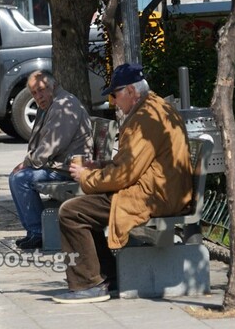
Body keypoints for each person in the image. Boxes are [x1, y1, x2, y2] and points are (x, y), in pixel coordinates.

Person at [52, 63, 193, 304]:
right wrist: (101, 166)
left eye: (115, 95)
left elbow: (126, 174)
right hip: (162, 190)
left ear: (130, 91)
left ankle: (90, 283)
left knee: (72, 212)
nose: (113, 102)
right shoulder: (154, 107)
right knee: (84, 207)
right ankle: (110, 277)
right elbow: (134, 163)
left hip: (154, 196)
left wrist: (86, 178)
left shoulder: (143, 119)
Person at [9, 70, 93, 250]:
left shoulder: (63, 105)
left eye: (42, 90)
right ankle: (34, 232)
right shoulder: (51, 104)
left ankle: (38, 233)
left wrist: (27, 162)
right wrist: (28, 162)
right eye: (34, 93)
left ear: (53, 86)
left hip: (69, 169)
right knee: (17, 176)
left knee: (20, 179)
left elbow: (52, 145)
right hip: (60, 165)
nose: (38, 96)